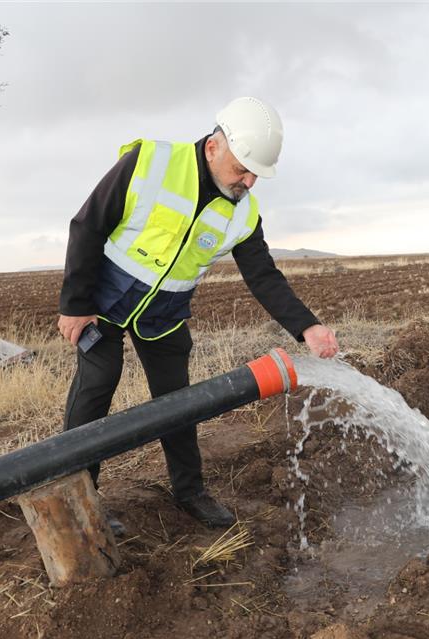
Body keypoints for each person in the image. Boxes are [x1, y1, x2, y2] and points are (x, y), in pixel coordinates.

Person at [57, 97, 338, 534]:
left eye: (255, 175)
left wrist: (308, 326)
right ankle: (80, 501)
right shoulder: (150, 163)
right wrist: (75, 306)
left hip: (164, 315)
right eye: (242, 169)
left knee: (178, 402)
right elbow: (88, 225)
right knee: (96, 385)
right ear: (213, 148)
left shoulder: (243, 212)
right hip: (103, 304)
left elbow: (263, 275)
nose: (247, 181)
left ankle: (189, 491)